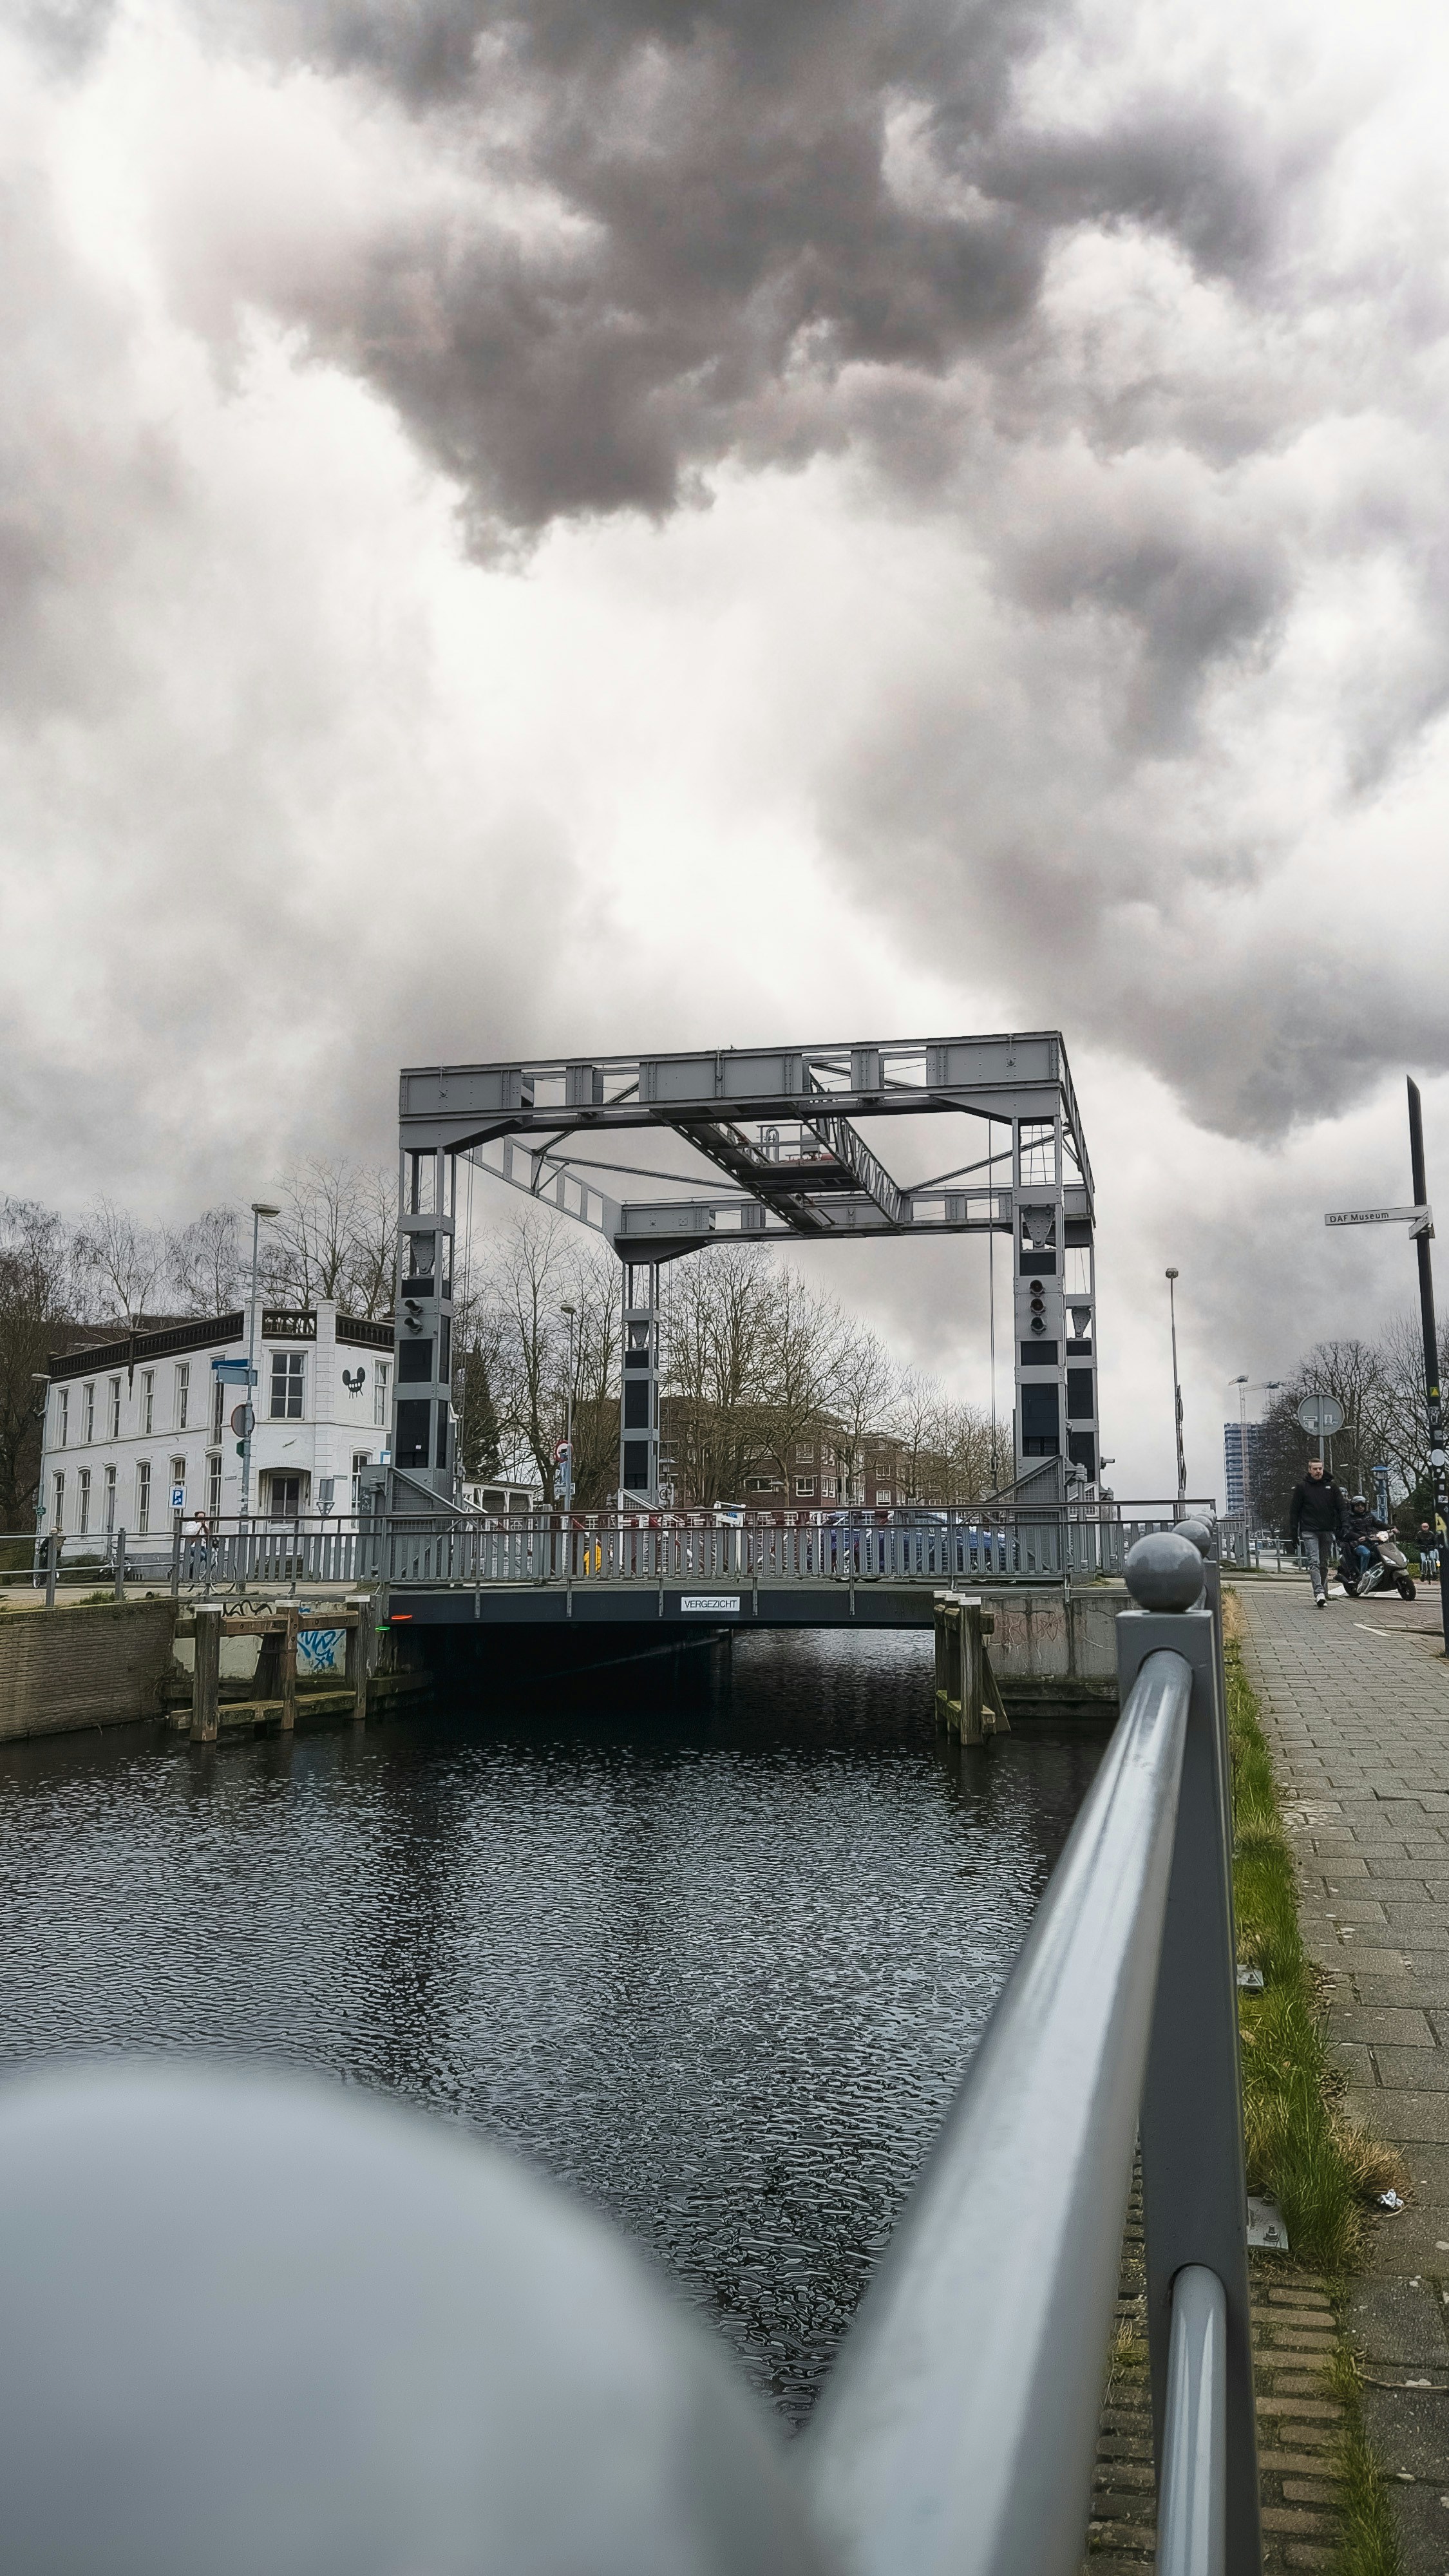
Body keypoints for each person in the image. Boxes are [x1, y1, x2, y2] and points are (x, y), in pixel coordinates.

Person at [1287, 1459, 1346, 1606]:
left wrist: (1344, 1525)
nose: (1318, 1471)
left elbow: (1341, 1507)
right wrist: (1294, 1532)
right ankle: (1319, 1592)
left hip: (1327, 1529)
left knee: (1323, 1563)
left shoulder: (1331, 1487)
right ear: (1309, 1470)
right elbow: (1295, 1511)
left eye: (1320, 1468)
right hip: (1309, 1530)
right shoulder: (1302, 1487)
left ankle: (1323, 1592)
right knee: (1314, 1561)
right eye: (1315, 1469)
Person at [1340, 1495, 1377, 1587]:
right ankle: (1362, 1575)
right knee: (1366, 1553)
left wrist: (1391, 1528)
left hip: (1369, 1542)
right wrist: (1359, 1537)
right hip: (1355, 1544)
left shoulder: (1369, 1516)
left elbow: (1379, 1524)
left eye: (1362, 1505)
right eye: (1358, 1506)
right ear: (1353, 1507)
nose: (1361, 1507)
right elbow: (1346, 1532)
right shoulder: (1349, 1518)